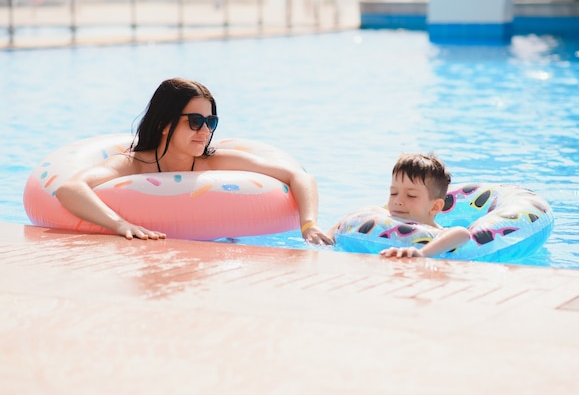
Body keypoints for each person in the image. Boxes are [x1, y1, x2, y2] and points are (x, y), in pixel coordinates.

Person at [55, 77, 333, 245]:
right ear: (164, 124)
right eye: (195, 121)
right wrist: (120, 224)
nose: (205, 132)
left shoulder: (215, 162)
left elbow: (299, 176)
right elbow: (70, 188)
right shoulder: (133, 165)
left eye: (211, 121)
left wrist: (309, 225)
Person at [329, 152, 470, 258]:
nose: (398, 201)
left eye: (411, 195)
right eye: (393, 193)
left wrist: (422, 253)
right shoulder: (381, 217)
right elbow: (357, 215)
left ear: (435, 207)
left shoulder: (437, 232)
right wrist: (328, 237)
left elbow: (463, 234)